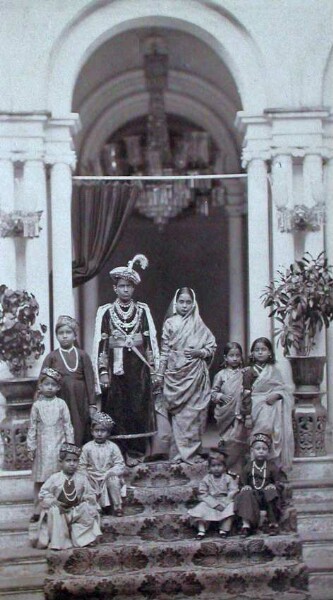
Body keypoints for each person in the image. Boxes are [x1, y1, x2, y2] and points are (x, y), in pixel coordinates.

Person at [92, 255, 159, 466]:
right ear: (115, 288)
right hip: (115, 368)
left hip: (138, 368)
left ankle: (137, 451)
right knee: (117, 406)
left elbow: (149, 341)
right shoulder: (106, 312)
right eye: (122, 286)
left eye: (129, 286)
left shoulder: (142, 310)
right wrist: (103, 371)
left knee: (138, 406)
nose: (126, 290)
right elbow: (102, 343)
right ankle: (118, 452)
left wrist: (154, 370)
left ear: (134, 288)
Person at [156, 287, 216, 464]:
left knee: (194, 414)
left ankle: (192, 452)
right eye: (181, 302)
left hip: (196, 375)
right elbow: (164, 351)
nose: (184, 305)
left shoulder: (199, 324)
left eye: (188, 302)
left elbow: (211, 347)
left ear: (193, 303)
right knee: (180, 416)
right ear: (176, 303)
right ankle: (178, 453)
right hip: (175, 375)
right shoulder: (170, 323)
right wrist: (160, 373)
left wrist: (200, 352)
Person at [27, 367, 74, 522]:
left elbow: (68, 425)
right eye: (46, 384)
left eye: (53, 385)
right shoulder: (37, 406)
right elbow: (32, 428)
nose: (49, 387)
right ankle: (37, 509)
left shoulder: (61, 404)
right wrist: (31, 447)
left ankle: (61, 507)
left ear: (58, 387)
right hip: (42, 449)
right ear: (40, 386)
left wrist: (70, 447)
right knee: (40, 480)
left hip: (58, 447)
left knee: (59, 478)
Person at [41, 315, 97, 446]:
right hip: (61, 397)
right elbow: (42, 380)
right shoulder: (52, 357)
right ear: (56, 336)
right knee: (62, 424)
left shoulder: (82, 355)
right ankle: (65, 455)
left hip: (80, 398)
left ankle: (80, 453)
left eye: (68, 332)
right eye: (61, 333)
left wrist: (92, 404)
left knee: (80, 423)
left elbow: (90, 380)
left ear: (75, 335)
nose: (64, 336)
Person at [36, 443, 101, 550]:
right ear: (61, 462)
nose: (72, 464)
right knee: (54, 510)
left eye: (75, 461)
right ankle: (60, 542)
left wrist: (88, 500)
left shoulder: (82, 478)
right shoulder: (55, 478)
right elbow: (43, 493)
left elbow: (89, 493)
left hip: (75, 510)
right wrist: (53, 501)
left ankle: (84, 539)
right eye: (68, 461)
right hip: (60, 511)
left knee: (87, 508)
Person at [248, 337, 294, 470]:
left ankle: (273, 469)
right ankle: (256, 469)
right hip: (255, 408)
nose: (260, 352)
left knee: (274, 437)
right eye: (257, 350)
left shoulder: (275, 371)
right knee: (257, 436)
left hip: (272, 410)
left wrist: (277, 395)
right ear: (252, 353)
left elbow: (284, 389)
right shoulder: (248, 371)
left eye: (263, 349)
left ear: (270, 353)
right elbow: (243, 393)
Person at [234, 432, 284, 537]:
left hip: (267, 498)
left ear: (268, 452)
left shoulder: (272, 466)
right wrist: (245, 487)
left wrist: (274, 486)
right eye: (258, 449)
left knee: (270, 491)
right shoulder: (248, 467)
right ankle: (246, 525)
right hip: (253, 498)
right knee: (246, 493)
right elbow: (241, 483)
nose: (261, 451)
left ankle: (273, 524)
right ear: (252, 451)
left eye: (264, 449)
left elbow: (279, 482)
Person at [79, 412, 126, 516]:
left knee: (113, 480)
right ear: (92, 432)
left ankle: (117, 507)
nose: (99, 434)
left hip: (107, 475)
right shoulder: (87, 447)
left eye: (103, 431)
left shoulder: (113, 447)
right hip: (92, 476)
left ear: (108, 433)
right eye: (96, 431)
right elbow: (82, 465)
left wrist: (111, 472)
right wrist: (86, 474)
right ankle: (95, 507)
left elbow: (120, 464)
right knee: (86, 482)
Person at [212, 343, 252, 460]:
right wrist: (220, 396)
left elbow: (249, 390)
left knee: (238, 434)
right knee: (227, 436)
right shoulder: (221, 375)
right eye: (231, 355)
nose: (235, 358)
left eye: (238, 355)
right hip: (225, 411)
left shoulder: (245, 373)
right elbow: (213, 392)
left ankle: (237, 459)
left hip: (239, 410)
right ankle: (226, 458)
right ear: (225, 358)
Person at [188, 450, 238, 539]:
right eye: (213, 466)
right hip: (210, 501)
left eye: (219, 465)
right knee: (200, 508)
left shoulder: (228, 478)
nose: (216, 468)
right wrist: (215, 504)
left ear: (224, 467)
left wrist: (225, 502)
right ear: (209, 468)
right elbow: (203, 493)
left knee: (231, 508)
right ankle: (201, 530)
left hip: (224, 500)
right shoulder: (206, 479)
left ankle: (223, 529)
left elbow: (233, 490)